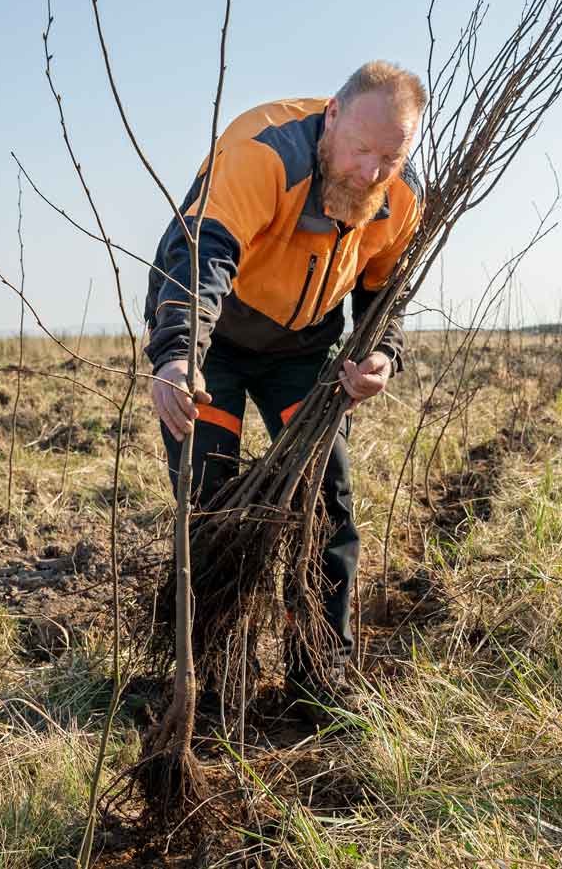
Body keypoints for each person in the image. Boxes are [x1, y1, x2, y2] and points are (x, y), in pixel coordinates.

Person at [143, 60, 425, 704]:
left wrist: (381, 352)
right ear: (331, 116)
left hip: (302, 348)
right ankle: (212, 677)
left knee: (326, 502)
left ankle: (319, 672)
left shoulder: (399, 198)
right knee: (209, 502)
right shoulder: (261, 154)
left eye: (391, 156)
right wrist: (178, 355)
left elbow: (384, 294)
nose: (372, 172)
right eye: (360, 149)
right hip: (211, 344)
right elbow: (202, 255)